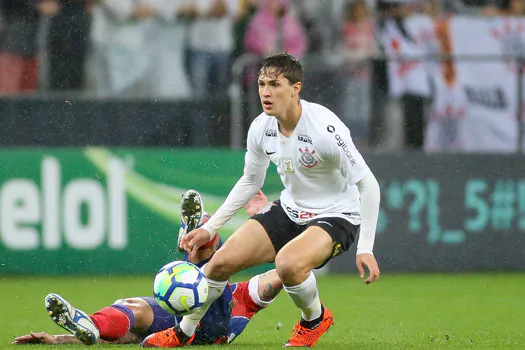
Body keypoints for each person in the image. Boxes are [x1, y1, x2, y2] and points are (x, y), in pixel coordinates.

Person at [142, 53, 381, 348]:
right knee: (219, 264)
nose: (266, 92)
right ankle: (183, 332)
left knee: (288, 265)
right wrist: (210, 228)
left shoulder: (325, 130)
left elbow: (368, 184)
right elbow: (250, 181)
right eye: (261, 84)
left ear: (296, 88)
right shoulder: (261, 127)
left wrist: (366, 248)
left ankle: (314, 319)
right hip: (290, 209)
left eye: (275, 84)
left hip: (337, 217)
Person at [12, 190, 282, 346]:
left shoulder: (244, 296)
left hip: (208, 329)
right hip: (173, 319)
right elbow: (126, 339)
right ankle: (92, 324)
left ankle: (194, 234)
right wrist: (58, 340)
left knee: (215, 261)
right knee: (134, 308)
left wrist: (267, 221)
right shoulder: (244, 294)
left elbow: (286, 270)